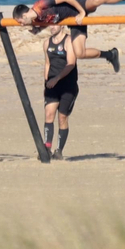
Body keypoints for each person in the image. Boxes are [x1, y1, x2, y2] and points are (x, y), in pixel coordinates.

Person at [42, 22, 79, 160]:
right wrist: (46, 83)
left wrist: (56, 78)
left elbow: (71, 64)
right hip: (52, 85)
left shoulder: (69, 41)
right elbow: (47, 64)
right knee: (49, 114)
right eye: (50, 25)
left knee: (62, 118)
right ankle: (47, 148)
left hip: (68, 86)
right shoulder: (47, 43)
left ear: (62, 26)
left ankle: (59, 150)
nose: (51, 27)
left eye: (55, 25)